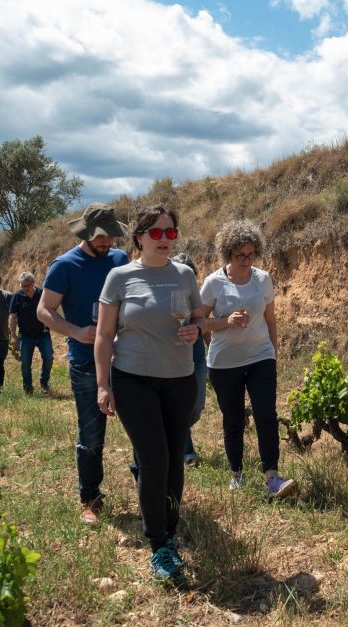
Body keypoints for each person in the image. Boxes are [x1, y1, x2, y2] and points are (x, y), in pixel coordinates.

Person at [96, 204, 204, 581]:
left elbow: (198, 317)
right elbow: (104, 335)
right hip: (133, 379)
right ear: (139, 236)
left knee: (175, 459)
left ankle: (170, 532)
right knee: (154, 458)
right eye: (156, 232)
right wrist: (103, 384)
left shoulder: (185, 275)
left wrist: (197, 329)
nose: (164, 239)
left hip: (179, 379)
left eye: (170, 233)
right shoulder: (120, 277)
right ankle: (157, 543)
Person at [37, 203, 131, 524]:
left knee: (142, 425)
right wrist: (76, 331)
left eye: (111, 237)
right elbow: (44, 310)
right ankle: (90, 499)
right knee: (92, 435)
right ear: (87, 235)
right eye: (102, 238)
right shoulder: (64, 266)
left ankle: (149, 488)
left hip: (128, 357)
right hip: (85, 362)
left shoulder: (120, 260)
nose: (108, 244)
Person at [196, 220, 296, 498]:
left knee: (267, 415)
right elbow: (199, 322)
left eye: (251, 254)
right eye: (240, 255)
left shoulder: (263, 278)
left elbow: (270, 319)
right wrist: (225, 322)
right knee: (234, 419)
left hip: (261, 357)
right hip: (224, 363)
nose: (246, 260)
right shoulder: (213, 283)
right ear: (228, 253)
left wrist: (273, 354)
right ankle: (236, 473)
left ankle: (272, 478)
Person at [172, 253, 207, 468]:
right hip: (173, 357)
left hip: (196, 355)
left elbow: (204, 322)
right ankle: (187, 452)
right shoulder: (164, 296)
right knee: (181, 407)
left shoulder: (197, 296)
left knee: (197, 406)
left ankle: (177, 431)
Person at [9, 272, 53, 395]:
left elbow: (50, 309)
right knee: (25, 363)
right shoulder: (17, 296)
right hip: (25, 335)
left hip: (43, 334)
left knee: (49, 358)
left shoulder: (42, 294)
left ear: (33, 283)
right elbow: (13, 317)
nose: (25, 288)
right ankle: (28, 388)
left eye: (27, 285)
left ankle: (44, 383)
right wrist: (13, 336)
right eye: (22, 285)